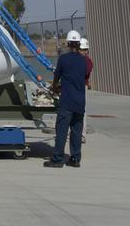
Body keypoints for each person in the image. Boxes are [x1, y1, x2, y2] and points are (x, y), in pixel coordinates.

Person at [44, 29, 87, 168]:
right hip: (80, 102)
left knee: (62, 131)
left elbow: (57, 78)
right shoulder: (83, 61)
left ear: (68, 43)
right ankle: (75, 159)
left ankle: (57, 159)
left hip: (67, 101)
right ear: (79, 43)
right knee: (76, 132)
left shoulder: (63, 59)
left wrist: (54, 87)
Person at [80, 37, 93, 142]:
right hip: (74, 86)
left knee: (82, 111)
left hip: (82, 86)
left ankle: (82, 134)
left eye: (84, 50)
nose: (82, 52)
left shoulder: (88, 61)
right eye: (81, 49)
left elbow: (85, 72)